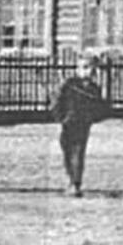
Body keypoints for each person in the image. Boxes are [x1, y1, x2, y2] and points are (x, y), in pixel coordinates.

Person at [50, 54, 110, 197]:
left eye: (90, 68)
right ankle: (71, 179)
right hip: (68, 123)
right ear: (77, 69)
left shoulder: (93, 89)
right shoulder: (69, 85)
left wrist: (91, 117)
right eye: (83, 67)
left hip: (82, 124)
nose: (87, 71)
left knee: (78, 152)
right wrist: (60, 117)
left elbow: (100, 108)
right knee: (67, 151)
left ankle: (75, 183)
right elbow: (58, 101)